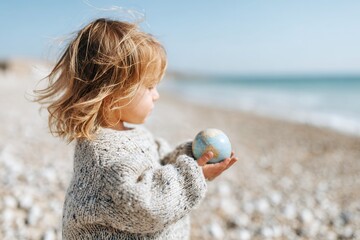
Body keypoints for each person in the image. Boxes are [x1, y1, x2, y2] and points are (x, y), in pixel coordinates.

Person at [35, 18, 238, 239]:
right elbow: (144, 206)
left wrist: (193, 158)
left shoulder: (135, 134)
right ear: (112, 92)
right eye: (149, 87)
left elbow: (161, 165)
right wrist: (191, 176)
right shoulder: (102, 157)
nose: (156, 95)